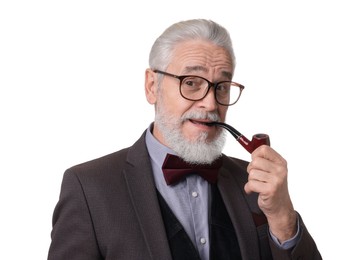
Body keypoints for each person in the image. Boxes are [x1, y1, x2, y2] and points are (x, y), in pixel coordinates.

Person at [48, 19, 321, 260]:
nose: (210, 103)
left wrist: (283, 217)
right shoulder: (88, 188)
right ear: (152, 86)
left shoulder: (256, 184)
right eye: (191, 82)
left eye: (222, 87)